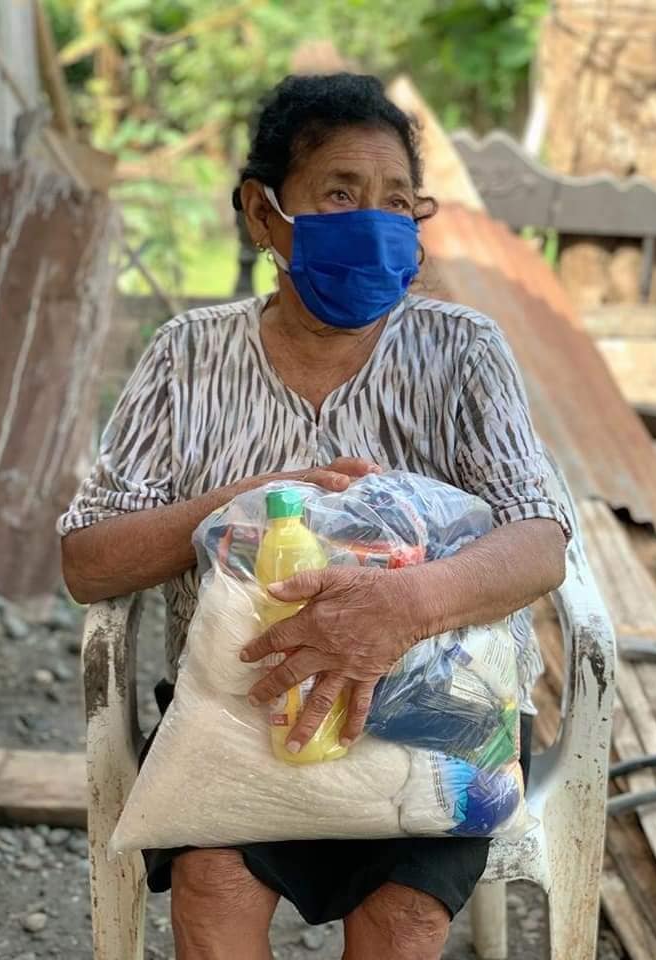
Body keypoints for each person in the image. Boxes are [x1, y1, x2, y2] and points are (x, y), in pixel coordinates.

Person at [59, 73, 571, 960]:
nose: (373, 221)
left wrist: (404, 608)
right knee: (213, 888)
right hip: (241, 705)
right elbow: (88, 561)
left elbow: (540, 543)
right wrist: (242, 503)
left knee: (405, 919)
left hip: (432, 709)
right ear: (264, 214)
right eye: (340, 193)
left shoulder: (462, 350)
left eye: (398, 202)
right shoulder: (188, 357)